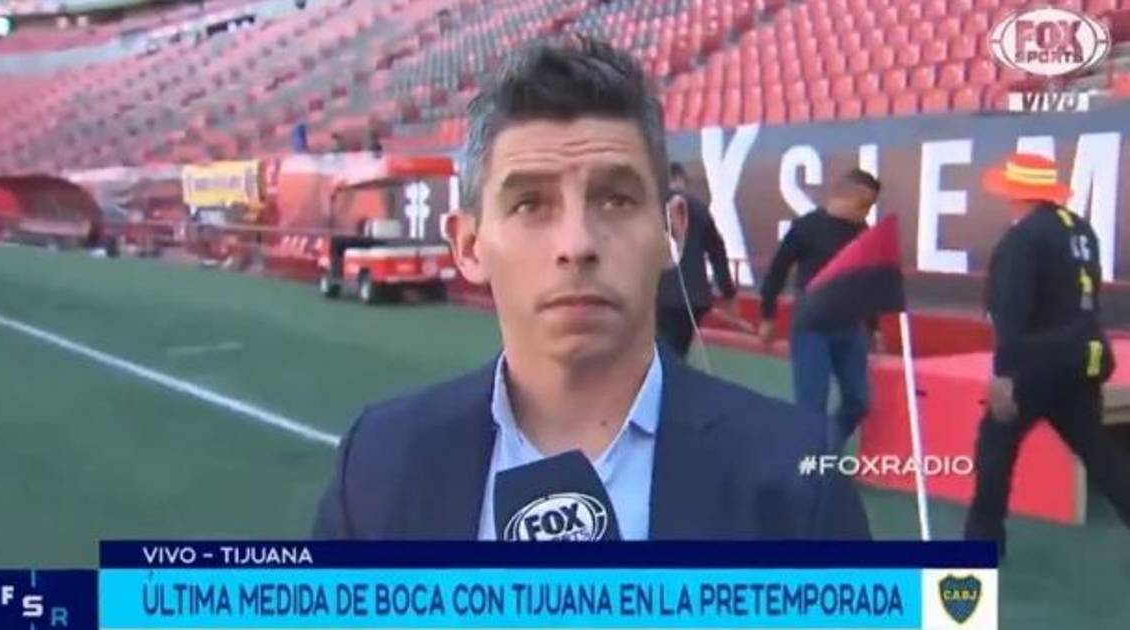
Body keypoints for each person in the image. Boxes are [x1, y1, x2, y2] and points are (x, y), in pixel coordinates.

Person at [312, 39, 869, 540]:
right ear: (469, 245)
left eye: (616, 200)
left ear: (671, 233)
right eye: (530, 204)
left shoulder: (801, 477)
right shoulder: (377, 461)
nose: (576, 244)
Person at [963, 153, 1130, 557]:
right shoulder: (1080, 230)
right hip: (1083, 356)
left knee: (995, 450)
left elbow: (1011, 307)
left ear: (1016, 194)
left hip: (1034, 364)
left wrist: (1003, 372)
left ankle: (983, 543)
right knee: (1101, 453)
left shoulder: (1022, 238)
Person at [758, 170, 884, 449]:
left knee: (859, 400)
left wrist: (873, 327)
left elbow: (866, 282)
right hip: (811, 329)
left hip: (850, 330)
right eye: (864, 206)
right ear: (846, 197)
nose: (867, 213)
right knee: (812, 405)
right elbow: (776, 272)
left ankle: (828, 448)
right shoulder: (806, 228)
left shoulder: (863, 233)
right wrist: (767, 316)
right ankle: (812, 461)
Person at [655, 162, 743, 357]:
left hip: (661, 296)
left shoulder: (653, 205)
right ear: (681, 179)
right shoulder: (699, 208)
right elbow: (717, 251)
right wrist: (728, 292)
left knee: (661, 353)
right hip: (695, 297)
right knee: (677, 351)